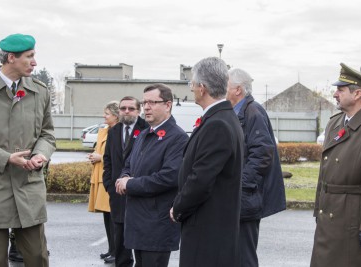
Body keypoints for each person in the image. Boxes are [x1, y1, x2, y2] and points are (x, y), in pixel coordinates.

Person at [0, 33, 55, 266]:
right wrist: (6, 158)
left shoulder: (40, 91)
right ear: (11, 58)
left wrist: (41, 153)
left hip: (28, 187)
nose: (35, 62)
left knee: (38, 258)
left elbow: (47, 134)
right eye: (29, 57)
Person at [171, 57, 244, 267]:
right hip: (213, 227)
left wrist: (178, 208)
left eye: (192, 84)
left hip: (208, 228)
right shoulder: (223, 118)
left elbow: (200, 179)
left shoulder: (218, 124)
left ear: (202, 88)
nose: (192, 88)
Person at [115, 84, 188, 267]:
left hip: (157, 224)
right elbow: (129, 165)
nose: (146, 107)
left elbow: (168, 177)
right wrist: (123, 177)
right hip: (138, 222)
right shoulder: (144, 134)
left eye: (152, 102)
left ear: (168, 105)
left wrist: (129, 184)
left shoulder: (177, 138)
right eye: (144, 102)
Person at [310, 63, 361, 267]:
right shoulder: (335, 122)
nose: (335, 93)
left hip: (352, 221)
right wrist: (318, 208)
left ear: (357, 94)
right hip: (328, 217)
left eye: (340, 89)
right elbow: (325, 170)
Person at [226, 68, 286, 267]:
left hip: (245, 198)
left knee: (244, 257)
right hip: (240, 197)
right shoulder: (237, 111)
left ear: (237, 89)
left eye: (225, 84)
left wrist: (240, 185)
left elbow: (262, 154)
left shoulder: (253, 111)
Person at [103, 96, 149, 266]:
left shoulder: (146, 128)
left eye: (131, 108)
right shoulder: (113, 131)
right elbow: (107, 160)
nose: (127, 111)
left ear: (139, 110)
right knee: (120, 238)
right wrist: (109, 185)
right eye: (123, 108)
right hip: (117, 193)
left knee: (140, 238)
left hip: (139, 191)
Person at [87, 101, 119, 263]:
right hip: (100, 176)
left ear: (116, 115)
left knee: (113, 216)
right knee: (107, 216)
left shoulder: (119, 132)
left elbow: (118, 155)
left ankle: (116, 251)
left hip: (109, 177)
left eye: (107, 113)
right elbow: (100, 151)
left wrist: (100, 158)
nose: (104, 116)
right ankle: (111, 249)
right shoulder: (104, 131)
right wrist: (94, 155)